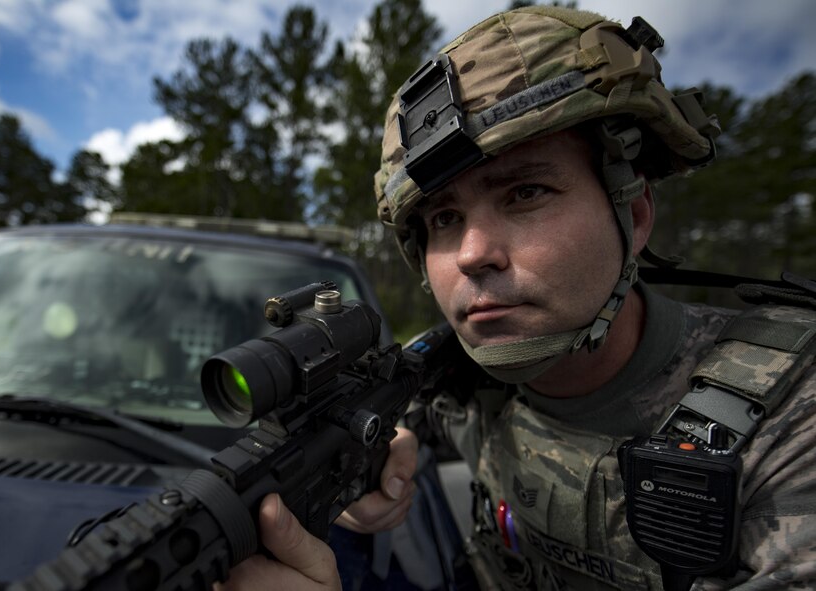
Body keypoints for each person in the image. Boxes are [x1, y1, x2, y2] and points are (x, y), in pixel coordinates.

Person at [218, 6, 816, 590]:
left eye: (526, 192)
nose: (473, 253)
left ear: (632, 216)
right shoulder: (452, 378)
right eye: (445, 218)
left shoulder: (791, 417)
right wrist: (377, 454)